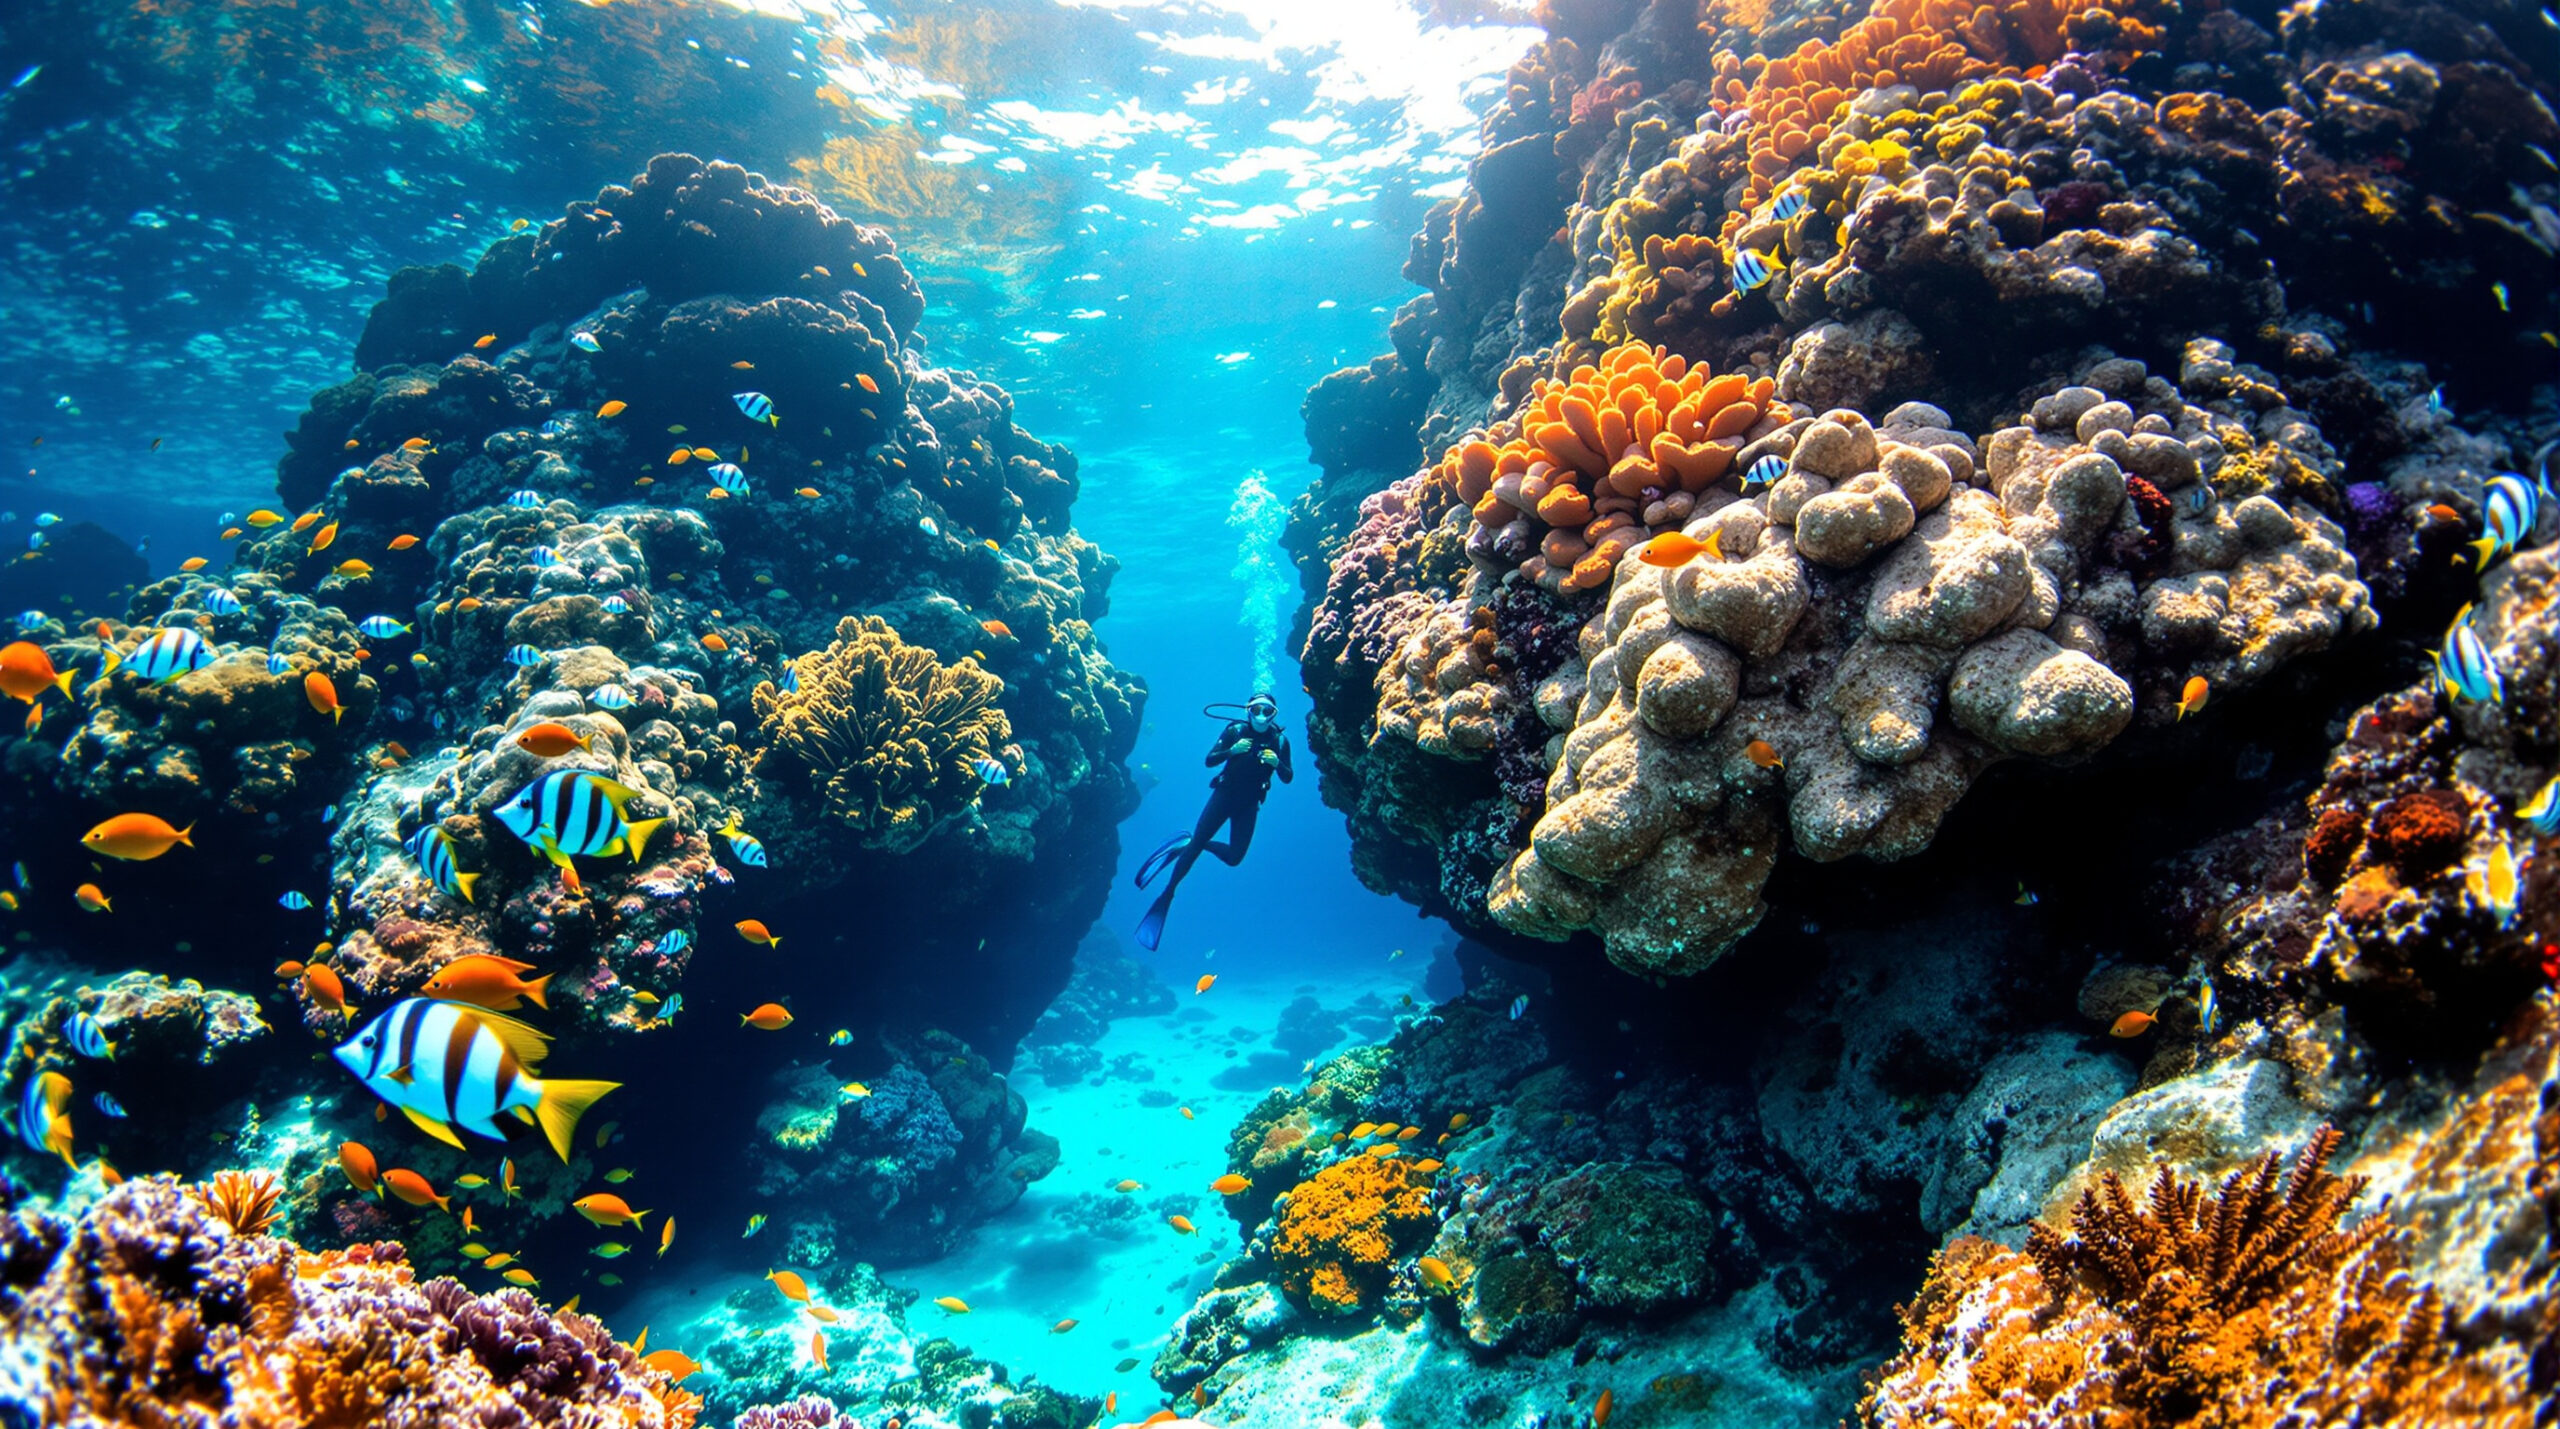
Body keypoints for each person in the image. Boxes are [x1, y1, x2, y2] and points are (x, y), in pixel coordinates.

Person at [1134, 693, 1293, 950]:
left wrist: (1278, 765)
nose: (1262, 716)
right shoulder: (1235, 730)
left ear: (1275, 713)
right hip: (1224, 795)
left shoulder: (1280, 741)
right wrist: (1232, 750)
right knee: (1195, 850)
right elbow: (1210, 760)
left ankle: (1191, 841)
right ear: (1247, 711)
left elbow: (1288, 777)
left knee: (1234, 858)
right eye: (1256, 710)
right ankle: (1168, 893)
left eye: (1268, 711)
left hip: (1249, 805)